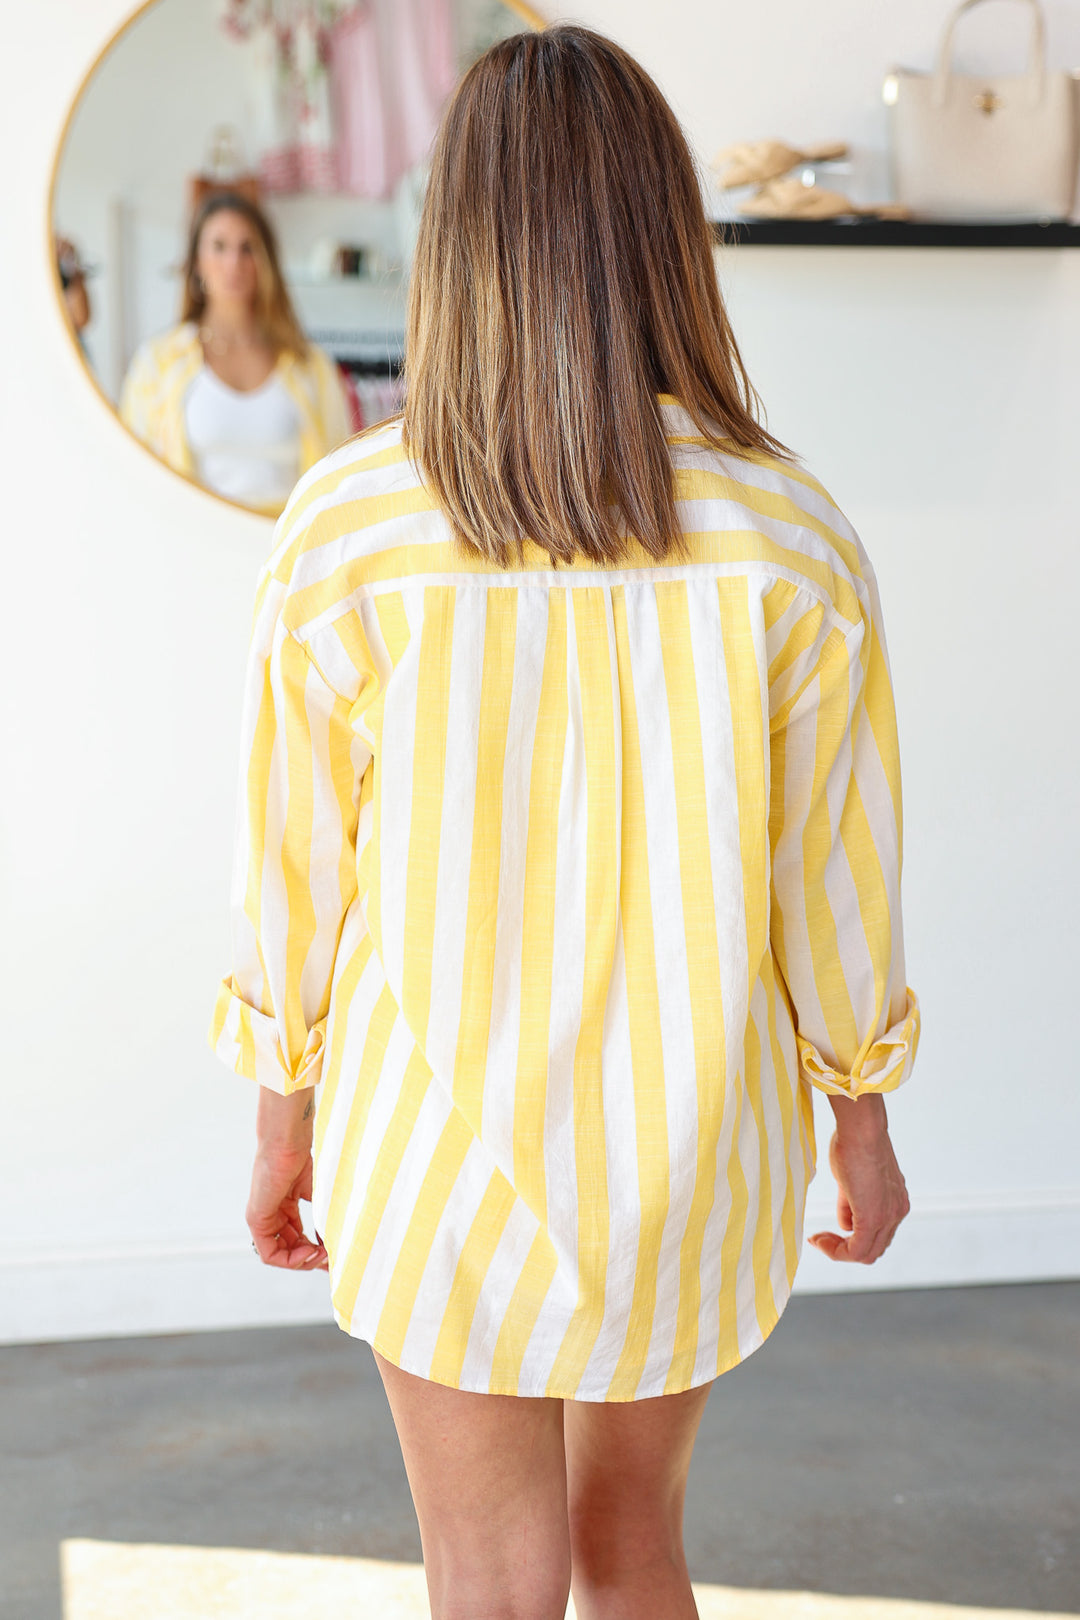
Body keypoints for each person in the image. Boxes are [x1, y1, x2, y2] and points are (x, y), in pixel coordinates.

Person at [210, 25, 920, 1620]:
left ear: (453, 243)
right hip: (691, 1147)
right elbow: (838, 877)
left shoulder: (347, 527)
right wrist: (861, 1116)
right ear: (666, 234)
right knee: (633, 1548)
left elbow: (291, 876)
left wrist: (283, 1119)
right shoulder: (791, 531)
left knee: (491, 1580)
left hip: (435, 1147)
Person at [120, 192, 350, 515]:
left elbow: (342, 480)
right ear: (196, 262)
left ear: (265, 261)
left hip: (289, 554)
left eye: (247, 248)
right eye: (219, 247)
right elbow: (133, 475)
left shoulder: (311, 367)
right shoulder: (157, 364)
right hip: (195, 550)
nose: (234, 263)